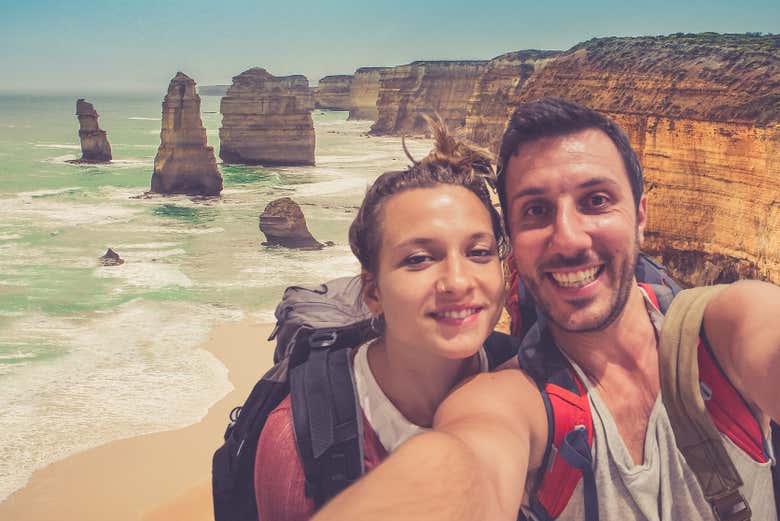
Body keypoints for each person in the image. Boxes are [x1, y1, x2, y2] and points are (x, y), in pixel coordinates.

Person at [311, 98, 780, 521]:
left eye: (596, 201)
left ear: (640, 217)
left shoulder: (729, 326)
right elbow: (465, 462)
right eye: (536, 211)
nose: (570, 238)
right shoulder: (505, 399)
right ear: (513, 243)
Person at [253, 117, 511, 520]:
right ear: (373, 291)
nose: (458, 282)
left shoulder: (529, 379)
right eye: (419, 258)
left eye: (478, 252)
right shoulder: (301, 441)